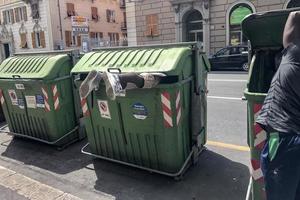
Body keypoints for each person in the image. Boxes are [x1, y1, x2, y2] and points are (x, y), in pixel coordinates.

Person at [256, 11, 300, 200]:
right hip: (289, 136)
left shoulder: (294, 54)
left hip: (281, 139)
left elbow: (294, 16)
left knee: (278, 191)